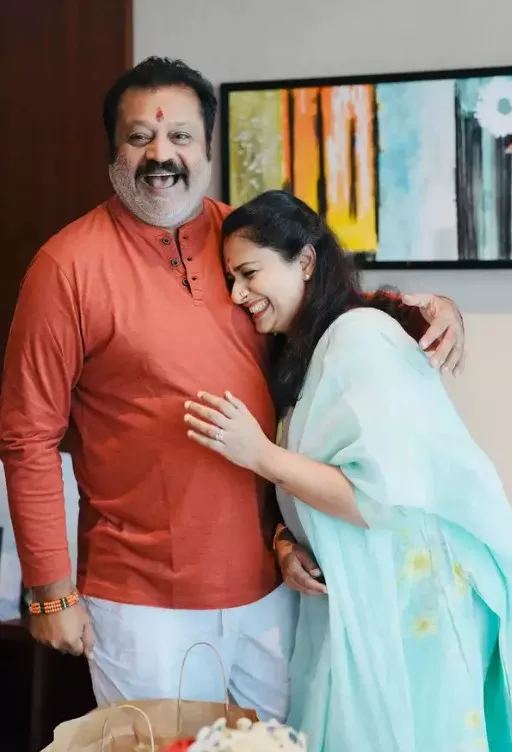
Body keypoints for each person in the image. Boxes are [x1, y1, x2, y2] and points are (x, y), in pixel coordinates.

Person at [0, 58, 464, 721]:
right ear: (113, 151)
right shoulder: (66, 266)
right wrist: (49, 588)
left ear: (207, 149)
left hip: (271, 586)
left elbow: (322, 312)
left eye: (180, 136)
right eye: (139, 137)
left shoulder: (239, 238)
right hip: (141, 598)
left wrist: (428, 311)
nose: (161, 154)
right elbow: (27, 435)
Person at [184, 190, 512, 750]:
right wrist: (285, 543)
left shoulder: (359, 336)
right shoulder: (303, 350)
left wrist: (258, 453)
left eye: (249, 274)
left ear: (305, 261)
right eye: (231, 279)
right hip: (359, 596)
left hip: (412, 603)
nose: (237, 294)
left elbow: (375, 498)